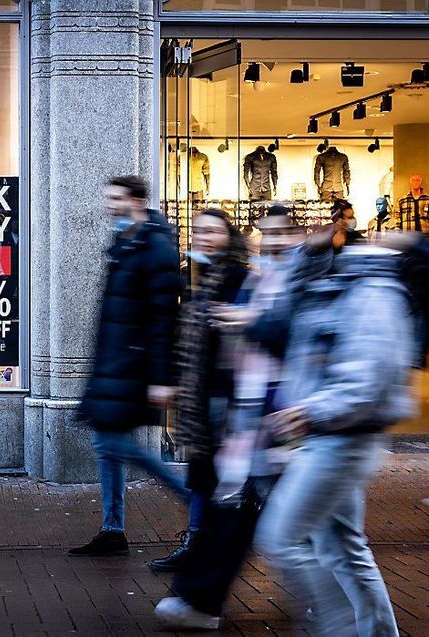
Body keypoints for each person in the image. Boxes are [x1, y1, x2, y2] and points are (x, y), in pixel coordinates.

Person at [250, 230, 418, 636]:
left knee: (281, 538)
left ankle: (338, 629)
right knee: (342, 548)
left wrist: (310, 411)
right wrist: (307, 253)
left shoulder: (372, 295)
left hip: (341, 438)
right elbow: (293, 302)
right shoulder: (341, 287)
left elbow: (366, 381)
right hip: (333, 436)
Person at [155, 206, 308, 630]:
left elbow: (291, 334)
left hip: (287, 419)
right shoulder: (254, 279)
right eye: (268, 233)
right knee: (236, 511)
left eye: (284, 233)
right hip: (254, 416)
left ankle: (203, 598)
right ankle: (200, 598)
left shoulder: (283, 280)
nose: (273, 241)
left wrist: (249, 323)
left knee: (289, 524)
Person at [69, 175, 190, 557]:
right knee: (107, 445)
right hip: (116, 360)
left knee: (114, 443)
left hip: (133, 364)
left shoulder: (155, 248)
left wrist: (160, 378)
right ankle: (112, 528)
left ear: (135, 201)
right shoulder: (126, 242)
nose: (109, 205)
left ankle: (195, 500)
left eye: (115, 198)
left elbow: (163, 319)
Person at [148, 208, 250, 573]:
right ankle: (197, 542)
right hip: (198, 396)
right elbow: (182, 335)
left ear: (228, 235)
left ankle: (211, 547)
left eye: (212, 231)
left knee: (219, 479)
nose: (203, 237)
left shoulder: (238, 277)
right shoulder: (193, 276)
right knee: (203, 474)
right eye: (199, 231)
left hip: (224, 397)